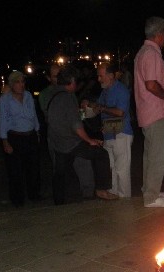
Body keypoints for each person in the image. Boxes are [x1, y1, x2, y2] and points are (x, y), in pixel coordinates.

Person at [47, 65, 118, 205]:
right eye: (76, 82)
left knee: (59, 173)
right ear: (72, 81)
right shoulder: (68, 97)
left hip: (57, 142)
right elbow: (76, 125)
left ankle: (59, 202)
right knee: (101, 154)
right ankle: (101, 190)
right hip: (70, 141)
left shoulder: (54, 95)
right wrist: (89, 140)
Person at [134, 16, 164, 208]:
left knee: (150, 155)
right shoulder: (151, 54)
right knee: (158, 156)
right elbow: (151, 84)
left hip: (147, 111)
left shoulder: (143, 52)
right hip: (154, 111)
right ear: (159, 34)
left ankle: (150, 189)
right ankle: (151, 197)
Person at [0, 70, 41, 207]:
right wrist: (5, 141)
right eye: (18, 82)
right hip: (15, 137)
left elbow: (34, 115)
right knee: (15, 170)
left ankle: (34, 194)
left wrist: (37, 131)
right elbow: (2, 121)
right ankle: (17, 198)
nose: (21, 85)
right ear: (12, 84)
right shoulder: (5, 100)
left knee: (33, 167)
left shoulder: (28, 96)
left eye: (23, 82)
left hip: (30, 135)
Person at [93, 62, 133, 198]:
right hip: (109, 133)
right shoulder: (105, 91)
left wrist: (102, 108)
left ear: (110, 76)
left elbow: (120, 112)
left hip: (121, 133)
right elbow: (97, 107)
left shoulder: (121, 89)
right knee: (112, 168)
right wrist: (90, 105)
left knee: (122, 169)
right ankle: (115, 194)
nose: (98, 79)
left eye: (100, 76)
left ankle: (125, 199)